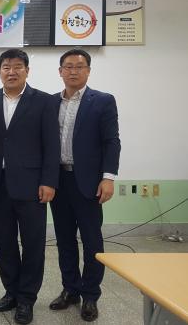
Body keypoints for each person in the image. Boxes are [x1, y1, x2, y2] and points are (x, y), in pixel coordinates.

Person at [0, 48, 60, 325]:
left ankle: (27, 298)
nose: (11, 72)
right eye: (6, 67)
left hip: (32, 186)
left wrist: (49, 181)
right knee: (3, 243)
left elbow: (52, 145)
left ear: (27, 70)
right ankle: (11, 292)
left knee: (33, 244)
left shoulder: (44, 101)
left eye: (17, 66)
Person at [48, 49, 121, 322]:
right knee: (64, 239)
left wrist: (108, 177)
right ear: (60, 71)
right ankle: (70, 289)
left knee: (92, 240)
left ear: (88, 71)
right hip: (58, 181)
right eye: (68, 66)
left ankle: (91, 294)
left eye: (79, 66)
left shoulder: (102, 101)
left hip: (89, 182)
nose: (73, 71)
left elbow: (111, 141)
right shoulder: (50, 102)